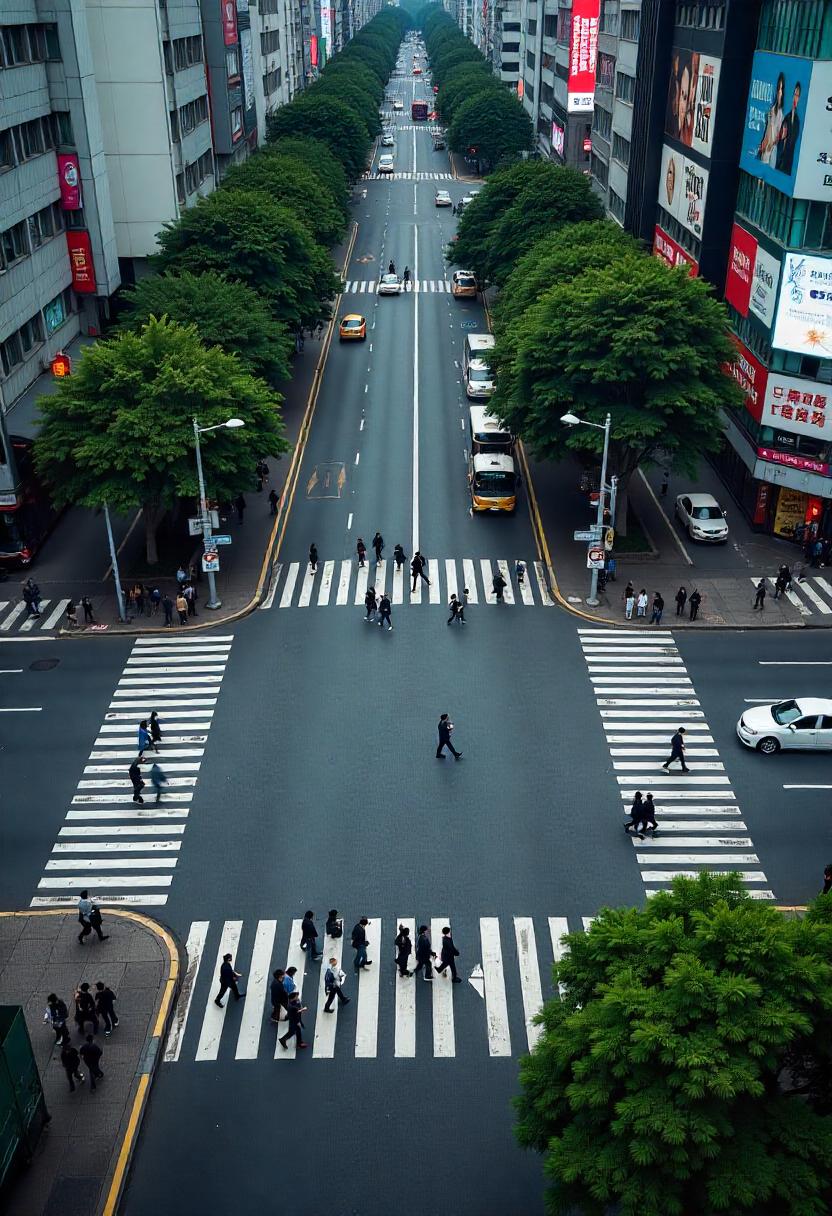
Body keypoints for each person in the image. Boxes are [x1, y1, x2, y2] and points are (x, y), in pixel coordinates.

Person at [758, 70, 785, 167]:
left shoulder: (781, 114)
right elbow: (768, 127)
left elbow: (779, 134)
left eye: (782, 89)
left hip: (772, 149)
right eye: (778, 88)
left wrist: (771, 144)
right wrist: (764, 142)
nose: (780, 92)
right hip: (766, 147)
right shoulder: (773, 109)